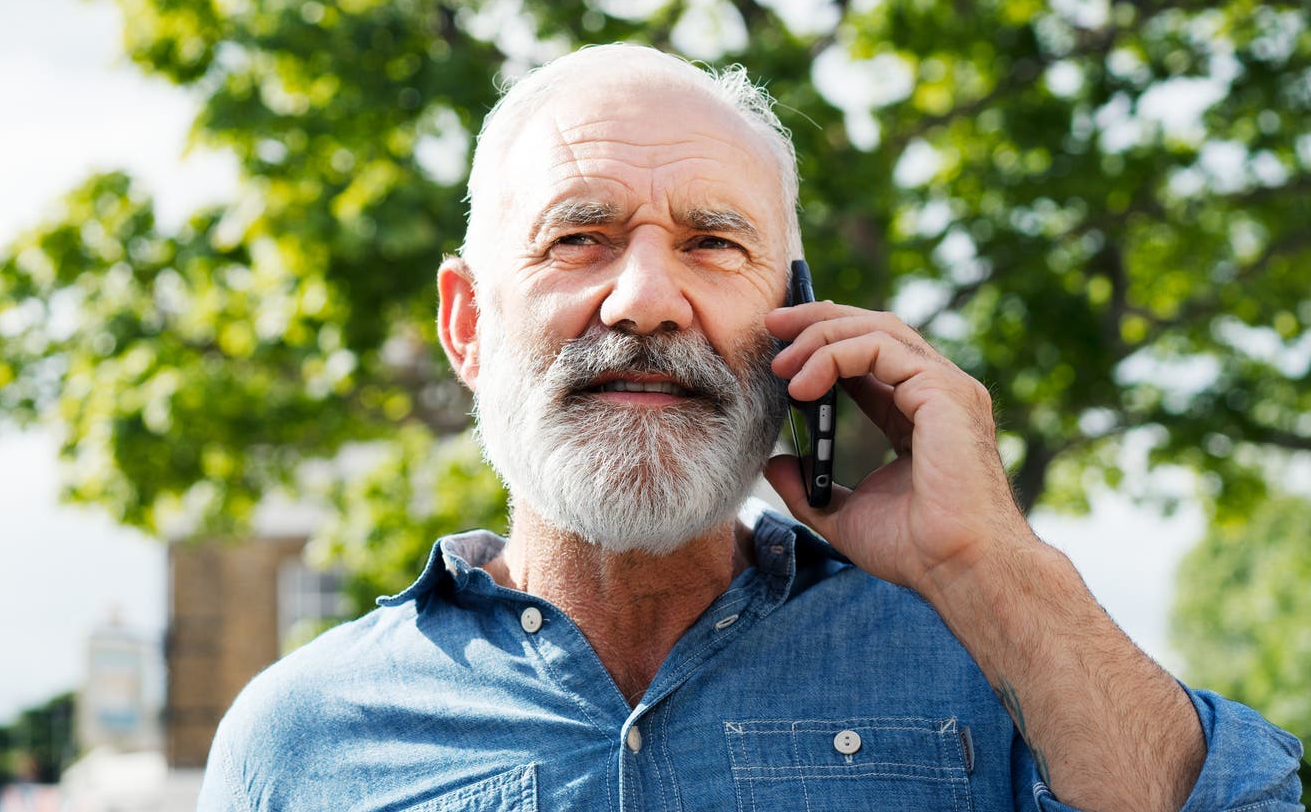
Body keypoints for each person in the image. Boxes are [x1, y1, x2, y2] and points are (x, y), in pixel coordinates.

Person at [196, 44, 1305, 811]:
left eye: (712, 244)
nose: (643, 298)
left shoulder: (992, 667)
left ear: (798, 318)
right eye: (577, 236)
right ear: (467, 321)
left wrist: (987, 562)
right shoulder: (300, 737)